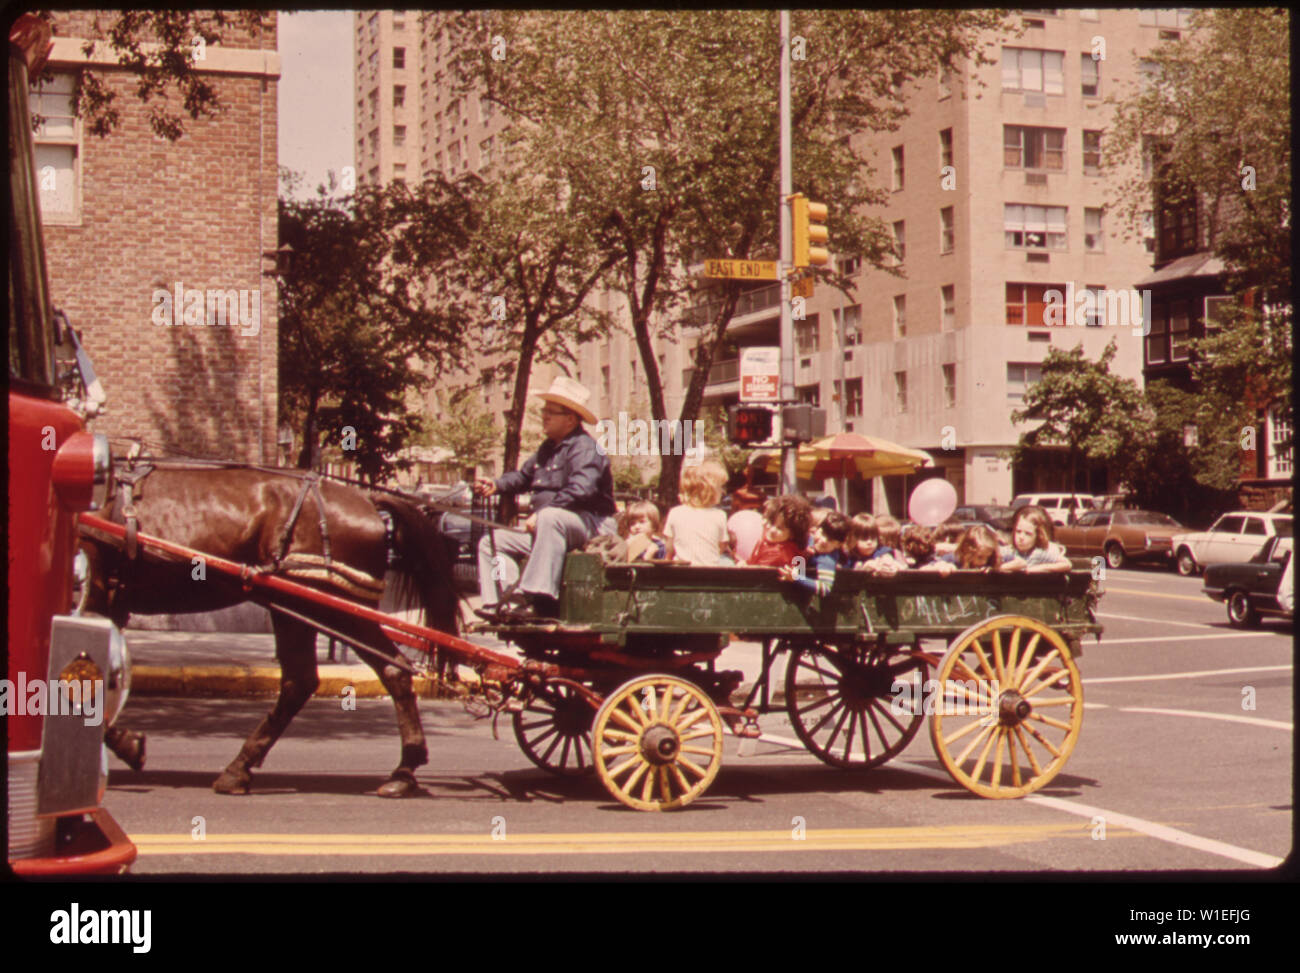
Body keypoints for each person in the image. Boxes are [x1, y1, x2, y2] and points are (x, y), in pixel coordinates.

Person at [475, 376, 617, 620]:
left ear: (571, 419)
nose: (544, 416)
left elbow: (581, 489)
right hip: (550, 530)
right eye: (544, 410)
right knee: (491, 542)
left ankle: (536, 598)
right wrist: (496, 484)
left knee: (550, 517)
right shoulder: (547, 448)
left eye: (551, 411)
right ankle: (505, 601)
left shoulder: (586, 448)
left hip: (589, 526)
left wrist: (541, 514)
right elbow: (522, 477)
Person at [663, 461, 730, 565]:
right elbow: (721, 545)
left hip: (682, 570)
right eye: (720, 487)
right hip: (709, 571)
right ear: (710, 490)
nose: (723, 491)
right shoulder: (719, 515)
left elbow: (669, 548)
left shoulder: (675, 513)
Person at [780, 511, 849, 595]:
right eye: (823, 533)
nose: (823, 541)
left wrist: (797, 578)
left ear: (838, 545)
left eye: (830, 540)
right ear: (817, 529)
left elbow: (825, 588)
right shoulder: (808, 540)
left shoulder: (826, 559)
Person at [745, 495, 812, 567]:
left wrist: (744, 568)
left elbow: (757, 574)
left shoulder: (777, 553)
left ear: (793, 533)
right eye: (771, 522)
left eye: (780, 528)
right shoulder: (769, 543)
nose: (772, 530)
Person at [1003, 505, 1072, 573]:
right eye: (1018, 531)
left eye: (1028, 534)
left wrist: (1038, 568)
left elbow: (1067, 564)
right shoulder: (1010, 551)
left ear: (1037, 536)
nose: (1021, 537)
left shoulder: (1038, 553)